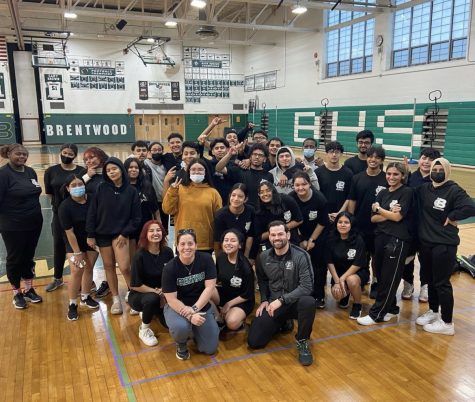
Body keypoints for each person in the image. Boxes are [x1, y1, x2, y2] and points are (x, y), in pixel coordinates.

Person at [415, 158, 475, 335]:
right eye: (435, 169)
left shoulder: (453, 189)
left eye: (441, 169)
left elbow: (471, 208)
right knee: (430, 280)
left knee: (442, 283)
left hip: (444, 244)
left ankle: (447, 323)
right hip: (426, 244)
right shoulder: (425, 188)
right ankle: (434, 312)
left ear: (447, 171)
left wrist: (453, 215)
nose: (437, 172)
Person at [247, 221, 316, 366]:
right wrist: (265, 299)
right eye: (273, 235)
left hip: (294, 303)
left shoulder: (301, 256)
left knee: (308, 302)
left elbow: (307, 287)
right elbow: (263, 280)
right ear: (269, 237)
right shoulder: (263, 257)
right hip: (273, 304)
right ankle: (281, 322)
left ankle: (302, 341)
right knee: (254, 342)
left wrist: (282, 300)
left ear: (288, 235)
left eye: (280, 234)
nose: (276, 238)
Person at [357, 162, 414, 326]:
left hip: (397, 240)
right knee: (381, 276)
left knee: (390, 277)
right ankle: (392, 309)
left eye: (396, 174)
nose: (391, 177)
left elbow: (398, 218)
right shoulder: (382, 193)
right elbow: (372, 218)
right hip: (380, 237)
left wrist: (379, 209)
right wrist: (388, 212)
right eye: (389, 174)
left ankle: (377, 314)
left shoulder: (407, 192)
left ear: (402, 176)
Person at [86, 157, 141, 315]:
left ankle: (134, 296)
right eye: (108, 170)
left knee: (124, 267)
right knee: (108, 266)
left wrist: (125, 232)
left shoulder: (131, 191)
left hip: (121, 235)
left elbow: (136, 217)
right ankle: (116, 299)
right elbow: (92, 212)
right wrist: (90, 234)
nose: (111, 172)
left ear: (121, 170)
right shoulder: (101, 188)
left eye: (114, 169)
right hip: (102, 234)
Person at [162, 229, 219, 360]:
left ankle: (196, 330)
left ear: (196, 245)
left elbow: (210, 288)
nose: (186, 247)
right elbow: (171, 299)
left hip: (200, 304)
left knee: (210, 349)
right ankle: (181, 343)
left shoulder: (206, 259)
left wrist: (194, 310)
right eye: (182, 244)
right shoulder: (170, 268)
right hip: (176, 307)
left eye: (190, 243)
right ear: (177, 246)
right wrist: (190, 315)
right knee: (180, 327)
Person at [0, 144, 43, 309]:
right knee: (15, 258)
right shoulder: (3, 174)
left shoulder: (30, 172)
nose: (22, 157)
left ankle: (29, 289)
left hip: (33, 222)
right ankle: (16, 292)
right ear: (9, 154)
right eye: (18, 154)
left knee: (28, 256)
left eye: (25, 154)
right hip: (13, 225)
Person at [44, 143, 86, 292]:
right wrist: (59, 206)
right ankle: (58, 278)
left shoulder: (82, 171)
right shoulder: (51, 171)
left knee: (81, 247)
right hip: (59, 215)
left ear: (75, 155)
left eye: (70, 154)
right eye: (65, 153)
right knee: (59, 245)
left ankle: (86, 281)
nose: (67, 156)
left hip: (79, 215)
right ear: (60, 152)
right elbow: (49, 192)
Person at [401, 147, 441, 302]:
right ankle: (408, 284)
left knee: (426, 260)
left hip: (428, 228)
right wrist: (405, 175)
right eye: (424, 158)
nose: (426, 162)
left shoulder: (438, 179)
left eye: (431, 159)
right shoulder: (410, 177)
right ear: (419, 159)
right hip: (410, 226)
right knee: (407, 259)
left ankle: (425, 287)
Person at [347, 146, 387, 298]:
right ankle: (363, 279)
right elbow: (352, 200)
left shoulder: (386, 178)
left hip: (380, 227)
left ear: (382, 160)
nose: (373, 160)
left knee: (378, 258)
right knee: (361, 257)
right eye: (371, 156)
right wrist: (351, 222)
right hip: (360, 226)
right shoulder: (357, 178)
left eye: (377, 157)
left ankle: (376, 283)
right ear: (367, 158)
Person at [58, 175, 99, 320]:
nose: (77, 187)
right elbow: (69, 232)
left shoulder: (93, 198)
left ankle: (86, 296)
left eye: (80, 184)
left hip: (91, 240)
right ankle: (72, 304)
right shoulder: (64, 207)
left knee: (89, 268)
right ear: (68, 188)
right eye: (73, 185)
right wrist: (77, 252)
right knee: (77, 270)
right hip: (74, 242)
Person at [129, 220, 174, 346]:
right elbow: (135, 285)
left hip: (162, 293)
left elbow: (173, 276)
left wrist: (164, 292)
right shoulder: (139, 255)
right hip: (140, 294)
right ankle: (144, 329)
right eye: (151, 230)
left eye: (158, 230)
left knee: (168, 325)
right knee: (152, 299)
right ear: (145, 235)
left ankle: (151, 311)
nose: (156, 233)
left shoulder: (168, 252)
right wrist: (156, 292)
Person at [163, 158, 222, 252]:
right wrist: (172, 191)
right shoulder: (178, 189)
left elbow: (219, 219)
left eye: (200, 169)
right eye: (193, 169)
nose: (196, 172)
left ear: (205, 172)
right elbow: (167, 210)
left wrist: (217, 244)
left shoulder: (213, 193)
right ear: (188, 171)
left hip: (205, 243)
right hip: (183, 242)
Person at [291, 171, 330, 308]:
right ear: (293, 186)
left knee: (318, 266)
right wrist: (301, 239)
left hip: (318, 234)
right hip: (298, 235)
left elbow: (323, 222)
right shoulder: (291, 199)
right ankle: (300, 294)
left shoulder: (320, 199)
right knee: (298, 266)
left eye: (304, 184)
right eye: (297, 185)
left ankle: (319, 295)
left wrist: (312, 240)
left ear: (310, 184)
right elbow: (292, 222)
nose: (300, 188)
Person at [326, 212, 369, 319]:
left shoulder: (358, 240)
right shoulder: (331, 239)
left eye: (346, 222)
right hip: (339, 273)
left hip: (357, 272)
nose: (343, 225)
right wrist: (337, 281)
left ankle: (357, 305)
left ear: (351, 224)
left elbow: (358, 264)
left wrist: (342, 279)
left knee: (351, 280)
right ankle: (346, 293)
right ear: (336, 224)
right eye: (340, 222)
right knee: (337, 295)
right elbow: (329, 262)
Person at [212, 230, 255, 331]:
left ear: (240, 245)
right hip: (226, 293)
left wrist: (228, 304)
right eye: (226, 240)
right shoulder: (221, 257)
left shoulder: (245, 266)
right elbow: (216, 279)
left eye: (233, 241)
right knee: (207, 288)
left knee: (231, 322)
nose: (228, 243)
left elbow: (248, 294)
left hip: (242, 299)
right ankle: (219, 319)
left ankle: (238, 318)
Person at [215, 143, 273, 208]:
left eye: (260, 155)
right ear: (250, 157)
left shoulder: (269, 176)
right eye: (254, 154)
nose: (257, 157)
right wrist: (229, 154)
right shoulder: (239, 171)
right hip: (242, 212)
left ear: (265, 159)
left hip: (261, 213)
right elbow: (218, 168)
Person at [253, 181, 303, 255]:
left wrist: (282, 229)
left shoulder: (286, 200)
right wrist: (274, 233)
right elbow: (259, 237)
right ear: (258, 195)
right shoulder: (258, 210)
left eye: (268, 190)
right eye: (261, 192)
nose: (265, 194)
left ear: (273, 190)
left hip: (290, 239)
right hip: (270, 244)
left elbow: (299, 220)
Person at [124, 157, 160, 253]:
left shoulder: (147, 186)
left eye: (136, 167)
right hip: (129, 228)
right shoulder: (122, 187)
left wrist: (159, 225)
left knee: (146, 256)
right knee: (133, 259)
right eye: (130, 167)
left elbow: (155, 209)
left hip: (145, 227)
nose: (133, 170)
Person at [214, 183, 255, 258]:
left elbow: (250, 235)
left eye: (240, 196)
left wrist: (246, 257)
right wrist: (220, 260)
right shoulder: (220, 215)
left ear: (246, 199)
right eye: (233, 195)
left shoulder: (250, 211)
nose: (236, 199)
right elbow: (218, 241)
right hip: (226, 251)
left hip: (244, 250)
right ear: (230, 196)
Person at [315, 141, 353, 223]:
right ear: (326, 154)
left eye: (337, 152)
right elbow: (316, 195)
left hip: (341, 216)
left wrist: (340, 213)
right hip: (322, 214)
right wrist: (324, 213)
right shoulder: (318, 172)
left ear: (341, 154)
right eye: (331, 152)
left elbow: (349, 196)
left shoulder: (348, 173)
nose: (334, 155)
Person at [144, 141, 169, 228]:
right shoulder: (146, 163)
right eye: (154, 150)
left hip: (165, 201)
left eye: (159, 150)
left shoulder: (166, 165)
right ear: (149, 152)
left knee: (164, 227)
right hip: (152, 201)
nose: (157, 152)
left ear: (162, 151)